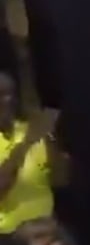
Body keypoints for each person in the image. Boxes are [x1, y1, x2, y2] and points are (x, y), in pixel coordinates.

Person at [0, 72, 60, 235]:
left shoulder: (31, 129)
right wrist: (27, 143)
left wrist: (51, 137)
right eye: (1, 94)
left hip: (45, 230)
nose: (7, 100)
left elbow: (59, 179)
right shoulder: (31, 135)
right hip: (7, 237)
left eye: (10, 94)